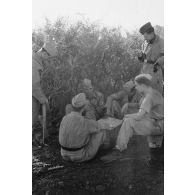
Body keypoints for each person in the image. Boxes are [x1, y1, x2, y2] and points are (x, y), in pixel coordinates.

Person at [101, 74, 164, 161]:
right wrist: (128, 105)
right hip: (156, 122)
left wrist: (126, 116)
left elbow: (138, 116)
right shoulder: (153, 92)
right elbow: (141, 105)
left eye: (137, 86)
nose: (136, 88)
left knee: (128, 121)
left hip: (157, 126)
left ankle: (119, 150)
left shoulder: (148, 97)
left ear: (142, 85)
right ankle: (123, 142)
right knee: (129, 119)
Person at [59, 93, 110, 162]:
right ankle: (105, 147)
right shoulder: (85, 122)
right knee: (101, 130)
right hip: (80, 156)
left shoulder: (65, 118)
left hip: (64, 154)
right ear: (84, 107)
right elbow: (100, 126)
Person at [32, 38, 57, 129]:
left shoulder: (35, 59)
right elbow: (33, 85)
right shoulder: (33, 63)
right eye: (48, 57)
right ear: (44, 53)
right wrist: (43, 98)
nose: (48, 59)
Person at [137, 22, 164, 95]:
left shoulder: (161, 41)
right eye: (144, 37)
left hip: (155, 74)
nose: (145, 39)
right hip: (144, 73)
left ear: (152, 33)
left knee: (155, 96)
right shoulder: (144, 43)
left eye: (146, 36)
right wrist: (140, 56)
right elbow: (143, 59)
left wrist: (160, 60)